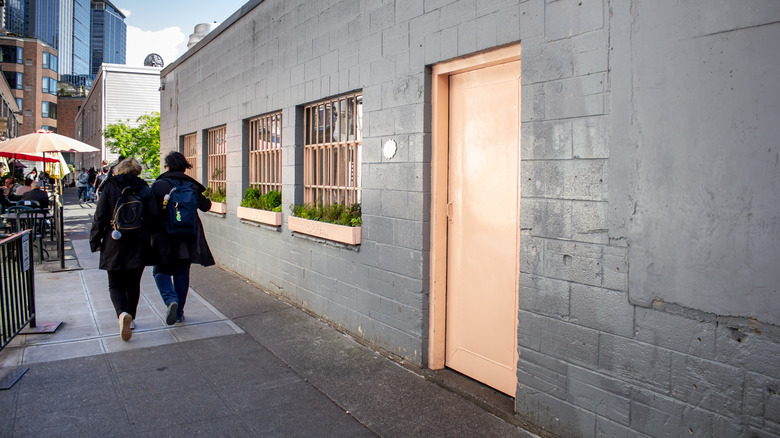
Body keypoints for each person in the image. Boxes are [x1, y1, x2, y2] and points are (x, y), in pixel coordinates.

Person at [89, 158, 158, 341]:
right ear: (137, 171)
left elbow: (100, 217)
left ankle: (121, 314)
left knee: (115, 283)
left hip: (114, 242)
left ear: (118, 170)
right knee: (133, 284)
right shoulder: (144, 189)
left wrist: (95, 240)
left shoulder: (110, 187)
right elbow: (153, 217)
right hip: (139, 242)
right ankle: (132, 319)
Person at [151, 151, 215, 325]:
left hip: (164, 237)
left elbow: (151, 212)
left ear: (167, 165)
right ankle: (179, 313)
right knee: (181, 273)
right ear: (185, 167)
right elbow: (206, 207)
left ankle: (171, 300)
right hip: (187, 238)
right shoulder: (192, 185)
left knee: (160, 271)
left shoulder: (159, 185)